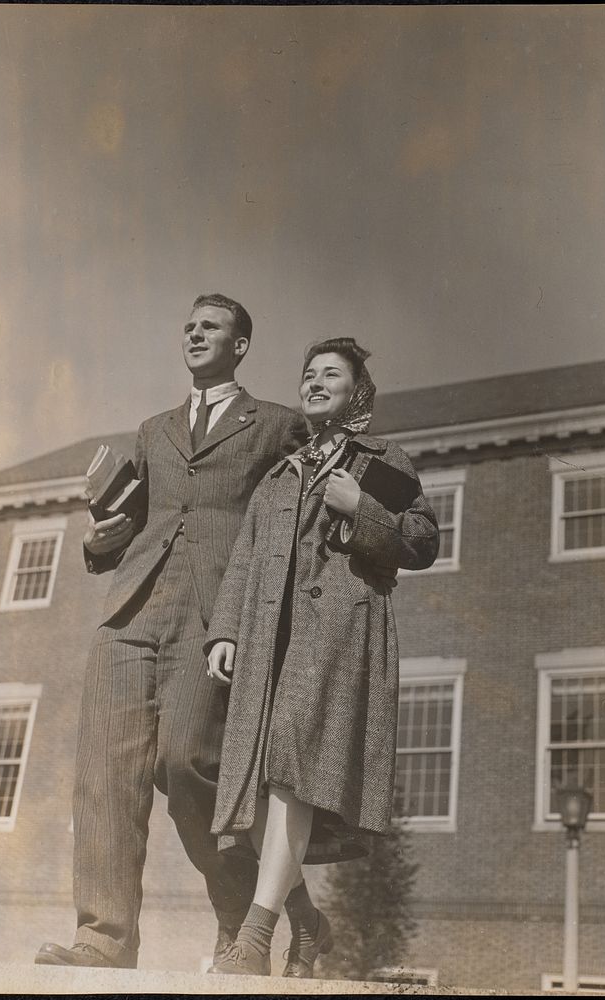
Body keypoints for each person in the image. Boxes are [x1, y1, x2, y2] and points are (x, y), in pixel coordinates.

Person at [35, 293, 308, 972]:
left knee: (186, 763)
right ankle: (103, 938)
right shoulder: (153, 429)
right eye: (187, 325)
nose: (193, 332)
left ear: (239, 344)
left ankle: (239, 918)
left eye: (209, 326)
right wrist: (100, 543)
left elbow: (297, 521)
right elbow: (133, 523)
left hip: (215, 614)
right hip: (133, 605)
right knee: (105, 772)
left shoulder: (277, 424)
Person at [204, 337, 440, 977]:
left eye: (329, 373)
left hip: (339, 635)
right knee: (255, 787)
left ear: (356, 390)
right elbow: (247, 559)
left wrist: (359, 507)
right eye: (307, 374)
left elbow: (422, 542)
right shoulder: (279, 475)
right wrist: (224, 630)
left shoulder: (383, 460)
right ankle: (307, 920)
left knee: (290, 774)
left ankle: (255, 938)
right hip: (269, 643)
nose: (313, 382)